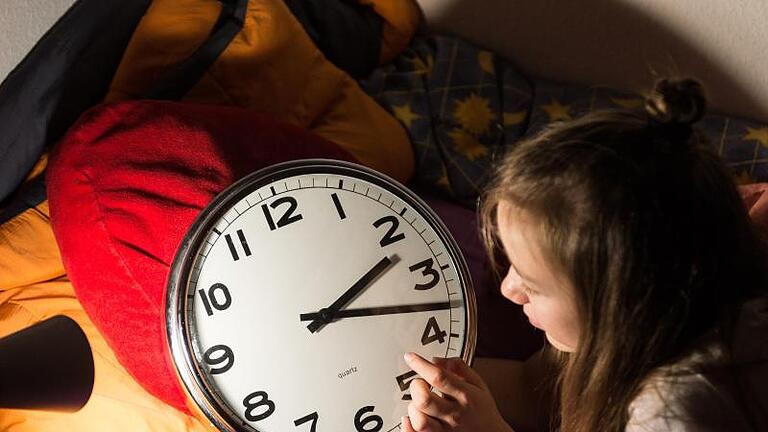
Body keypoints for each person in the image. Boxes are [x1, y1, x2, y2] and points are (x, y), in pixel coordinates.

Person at [402, 78, 768, 432]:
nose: (509, 290)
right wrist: (413, 379)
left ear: (623, 301)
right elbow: (535, 390)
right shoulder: (650, 312)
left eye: (533, 283)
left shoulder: (677, 410)